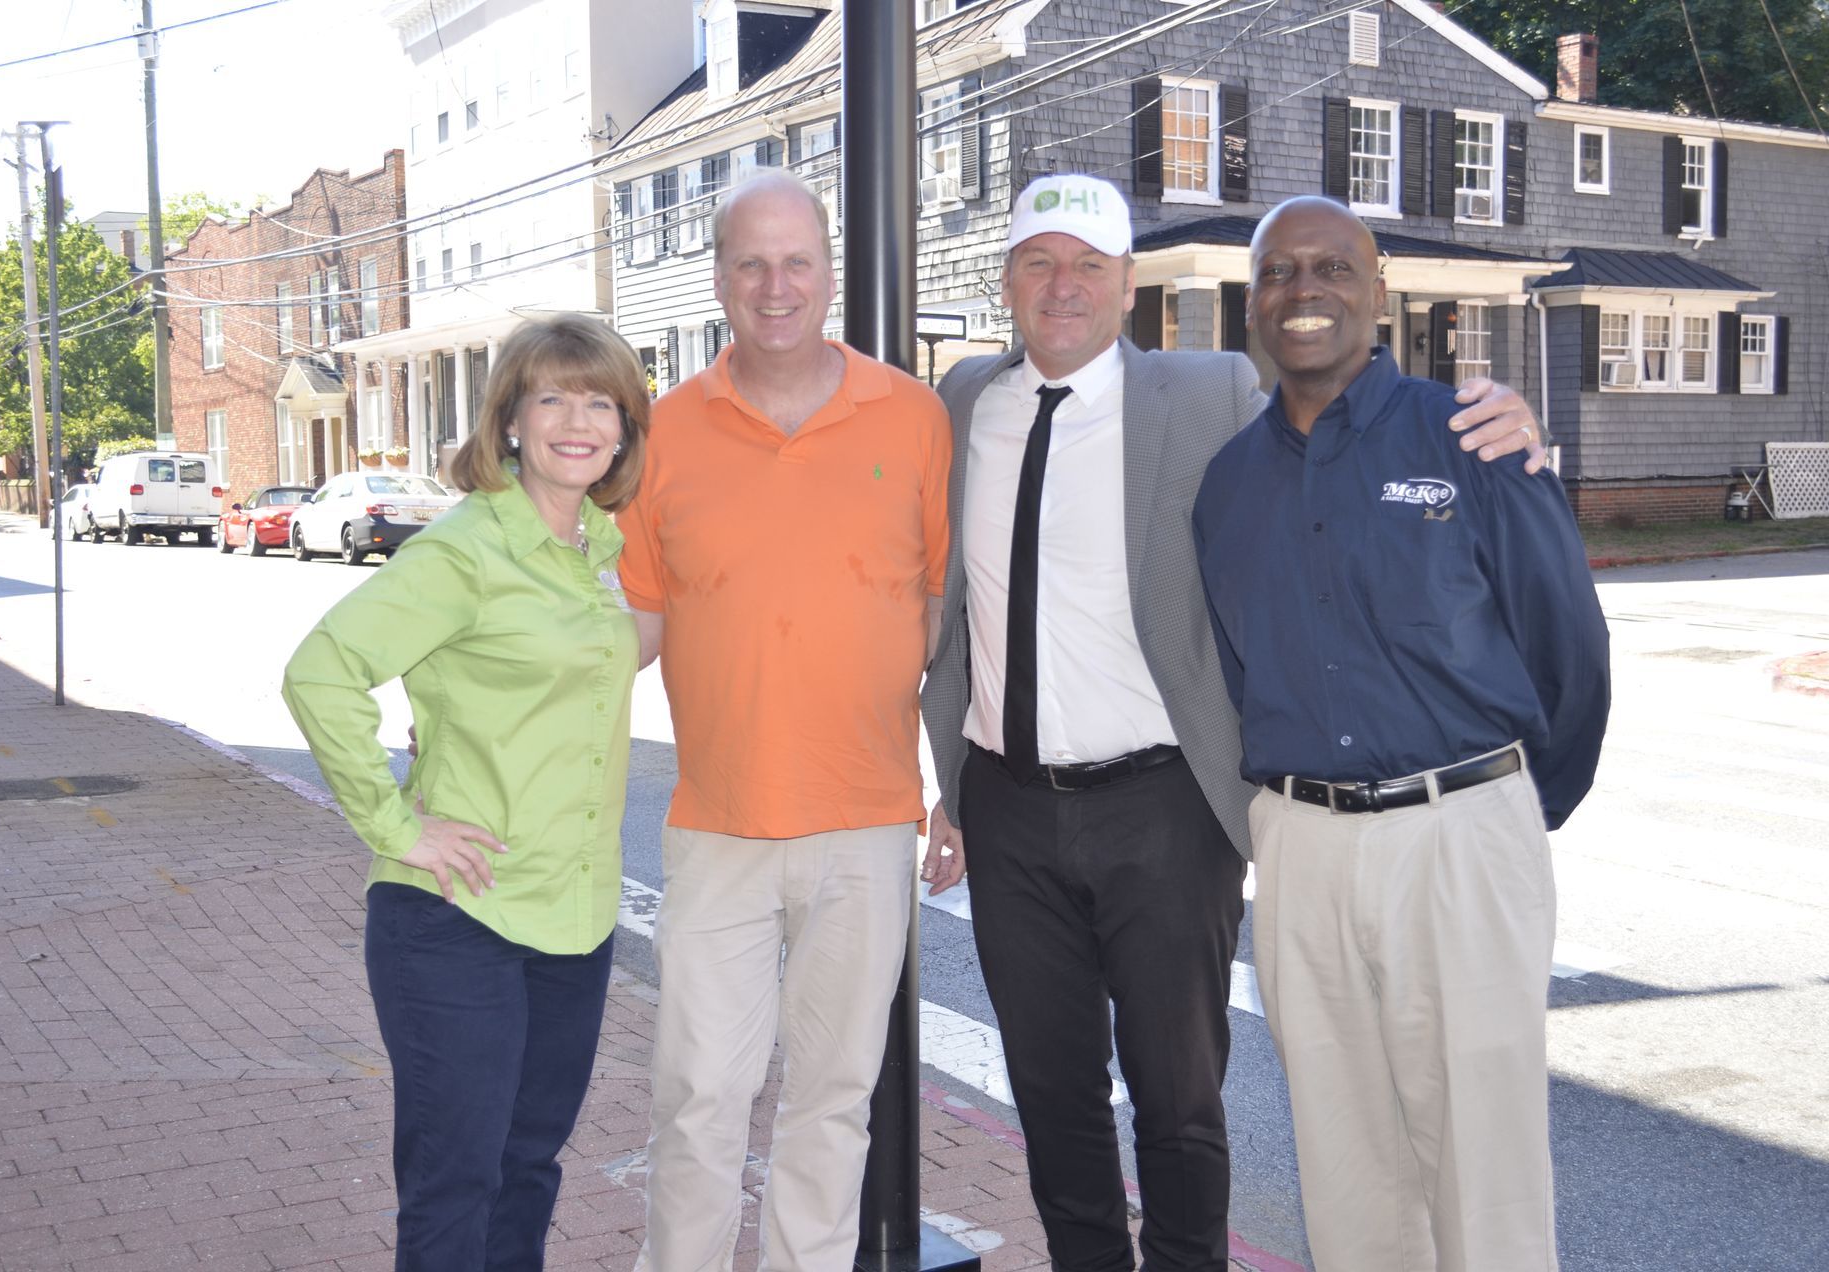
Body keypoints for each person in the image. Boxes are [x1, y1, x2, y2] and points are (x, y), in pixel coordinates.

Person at [916, 174, 1546, 1272]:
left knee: (1179, 1095)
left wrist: (1494, 428)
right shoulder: (964, 400)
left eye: (1089, 266)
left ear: (1125, 287)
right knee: (1051, 1089)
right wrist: (945, 788)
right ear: (1006, 281)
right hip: (1008, 807)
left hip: (1166, 806)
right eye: (1038, 262)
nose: (1063, 286)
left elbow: (1343, 427)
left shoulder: (1208, 393)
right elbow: (939, 605)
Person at [1192, 196, 1609, 1271]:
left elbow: (1568, 648)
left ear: (1378, 292)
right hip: (1303, 852)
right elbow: (1245, 676)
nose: (1304, 291)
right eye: (1279, 272)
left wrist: (1504, 806)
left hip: (1460, 837)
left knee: (1486, 1179)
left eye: (1333, 267)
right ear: (1253, 303)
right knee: (1348, 1175)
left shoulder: (1468, 436)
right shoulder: (1227, 487)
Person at [618, 169, 952, 1272]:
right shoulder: (662, 434)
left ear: (828, 272)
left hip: (864, 825)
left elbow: (949, 613)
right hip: (717, 825)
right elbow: (626, 627)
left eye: (795, 262)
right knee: (698, 1098)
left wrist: (958, 782)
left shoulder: (911, 417)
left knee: (833, 1104)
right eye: (751, 263)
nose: (775, 286)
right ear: (718, 277)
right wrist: (491, 718)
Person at [281, 314, 649, 1271]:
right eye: (553, 397)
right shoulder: (467, 549)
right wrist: (395, 824)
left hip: (574, 917)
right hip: (460, 916)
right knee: (457, 1184)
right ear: (511, 421)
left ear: (625, 428)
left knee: (530, 1167)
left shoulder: (596, 552)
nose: (580, 420)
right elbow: (321, 671)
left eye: (601, 401)